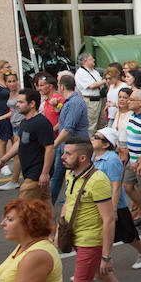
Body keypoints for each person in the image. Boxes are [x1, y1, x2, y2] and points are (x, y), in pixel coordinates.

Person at [60, 137, 121, 282]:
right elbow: (68, 201)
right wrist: (59, 230)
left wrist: (106, 256)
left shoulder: (98, 181)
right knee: (105, 278)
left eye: (68, 154)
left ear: (83, 158)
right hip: (75, 237)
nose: (63, 157)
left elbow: (109, 219)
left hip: (90, 242)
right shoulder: (70, 174)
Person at [91, 127, 141, 271]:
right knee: (98, 236)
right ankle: (92, 266)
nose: (92, 138)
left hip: (115, 205)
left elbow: (116, 186)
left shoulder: (112, 160)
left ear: (106, 144)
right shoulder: (95, 157)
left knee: (128, 234)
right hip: (99, 203)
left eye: (96, 137)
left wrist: (112, 210)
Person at [0, 88, 54, 201]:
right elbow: (19, 143)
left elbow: (49, 148)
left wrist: (44, 173)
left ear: (32, 103)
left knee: (22, 210)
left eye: (21, 102)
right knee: (44, 209)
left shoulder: (41, 123)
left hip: (36, 175)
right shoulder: (24, 122)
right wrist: (2, 161)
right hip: (29, 173)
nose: (17, 105)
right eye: (17, 101)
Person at [51, 74, 90, 204]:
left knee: (60, 178)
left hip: (75, 147)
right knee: (62, 177)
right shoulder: (70, 102)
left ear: (62, 86)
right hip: (66, 147)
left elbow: (68, 128)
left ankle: (46, 208)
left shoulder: (75, 102)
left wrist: (54, 144)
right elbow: (64, 123)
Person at [120, 89, 141, 225]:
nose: (128, 101)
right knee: (127, 186)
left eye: (131, 99)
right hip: (132, 160)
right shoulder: (133, 116)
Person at [75, 52, 106, 135]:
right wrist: (105, 80)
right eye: (91, 59)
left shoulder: (94, 71)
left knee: (102, 123)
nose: (94, 60)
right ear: (85, 61)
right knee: (91, 124)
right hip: (90, 101)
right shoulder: (81, 73)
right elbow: (91, 86)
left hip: (100, 99)